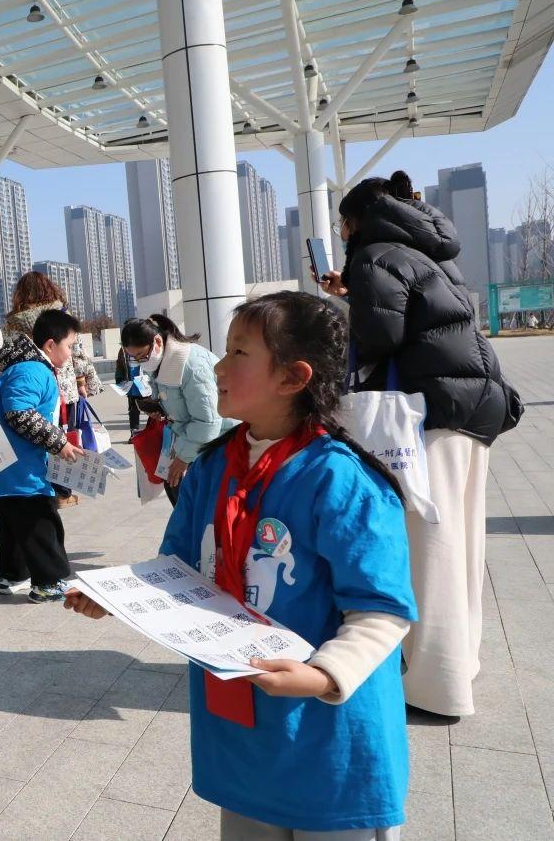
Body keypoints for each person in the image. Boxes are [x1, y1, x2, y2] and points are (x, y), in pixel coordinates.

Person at [67, 292, 417, 840]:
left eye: (238, 353)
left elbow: (382, 609)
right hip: (243, 729)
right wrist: (119, 598)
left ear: (293, 377)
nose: (218, 367)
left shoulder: (341, 480)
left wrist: (325, 674)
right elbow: (176, 569)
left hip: (327, 732)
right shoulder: (211, 469)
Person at [320, 177, 522, 718]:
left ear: (356, 220)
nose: (343, 234)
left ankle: (436, 686)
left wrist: (349, 302)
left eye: (342, 225)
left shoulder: (373, 256)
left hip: (427, 414)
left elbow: (380, 338)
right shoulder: (431, 251)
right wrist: (354, 291)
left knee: (429, 548)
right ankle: (460, 662)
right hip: (475, 406)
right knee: (461, 542)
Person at [0, 309, 85, 602]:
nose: (71, 353)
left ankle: (12, 576)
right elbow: (19, 413)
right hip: (22, 470)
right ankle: (48, 583)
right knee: (42, 525)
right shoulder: (34, 370)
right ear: (50, 345)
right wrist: (59, 443)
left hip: (4, 469)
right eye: (70, 346)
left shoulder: (21, 368)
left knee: (13, 528)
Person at [4, 271, 100, 507]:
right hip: (63, 388)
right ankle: (63, 492)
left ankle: (48, 488)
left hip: (35, 389)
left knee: (42, 436)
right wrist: (83, 382)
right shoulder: (61, 315)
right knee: (65, 437)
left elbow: (9, 354)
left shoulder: (14, 322)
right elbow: (77, 351)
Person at [120, 314, 232, 505]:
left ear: (157, 341)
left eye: (142, 356)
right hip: (190, 441)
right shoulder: (159, 360)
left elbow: (208, 420)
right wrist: (160, 409)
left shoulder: (192, 365)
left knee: (193, 500)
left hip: (218, 442)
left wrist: (183, 458)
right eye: (135, 358)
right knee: (178, 492)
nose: (141, 362)